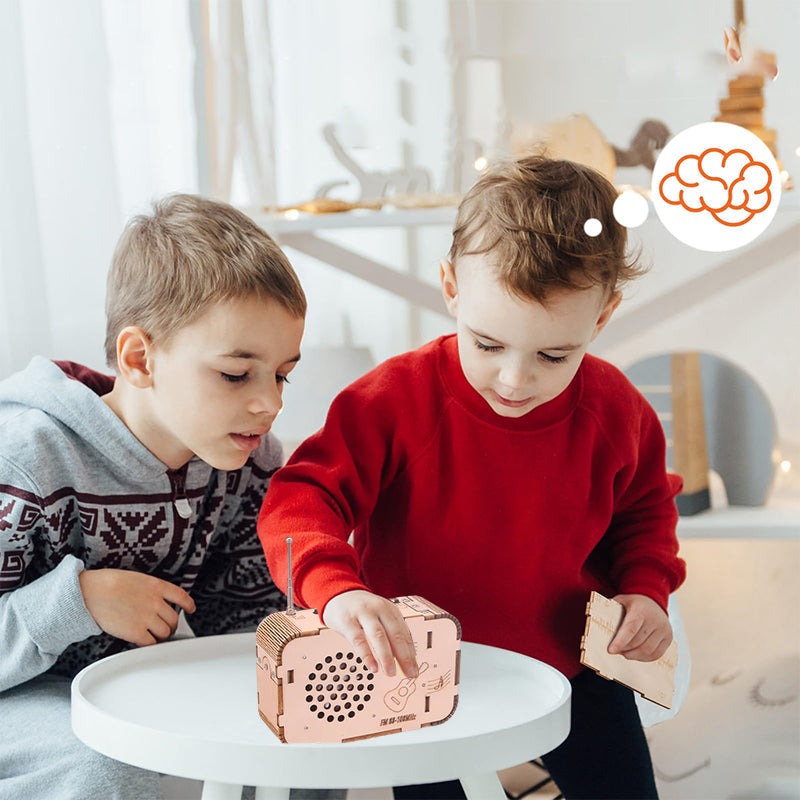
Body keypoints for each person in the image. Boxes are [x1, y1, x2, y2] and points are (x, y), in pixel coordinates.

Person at [258, 155, 687, 799]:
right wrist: (335, 589)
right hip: (421, 670)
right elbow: (302, 497)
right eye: (487, 344)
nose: (515, 380)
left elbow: (646, 510)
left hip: (578, 670)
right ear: (451, 286)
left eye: (553, 355)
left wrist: (646, 590)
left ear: (601, 318)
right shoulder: (392, 401)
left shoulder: (616, 409)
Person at [0, 195, 338, 800]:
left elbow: (244, 626)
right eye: (235, 374)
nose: (271, 403)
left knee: (309, 728)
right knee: (104, 762)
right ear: (139, 359)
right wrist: (79, 601)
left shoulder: (248, 462)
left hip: (129, 687)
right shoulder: (25, 461)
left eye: (282, 373)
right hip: (20, 700)